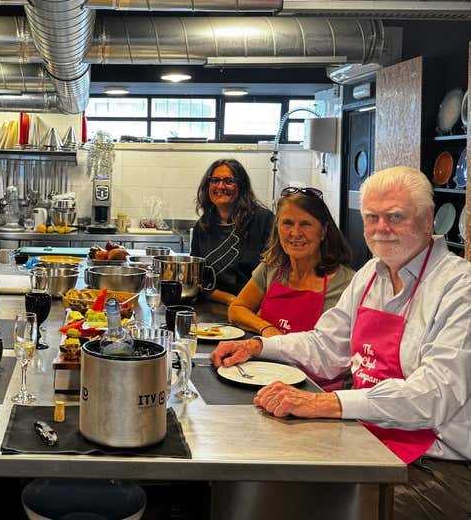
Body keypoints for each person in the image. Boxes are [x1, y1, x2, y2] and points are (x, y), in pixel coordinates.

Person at [212, 166, 471, 520]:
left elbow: (432, 396)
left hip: (437, 465)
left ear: (428, 220)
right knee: (262, 483)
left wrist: (325, 403)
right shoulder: (371, 274)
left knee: (315, 509)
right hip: (366, 438)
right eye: (372, 217)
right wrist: (259, 347)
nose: (382, 228)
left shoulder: (460, 288)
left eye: (396, 217)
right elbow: (326, 346)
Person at [227, 187, 355, 390]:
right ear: (277, 227)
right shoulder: (273, 267)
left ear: (323, 231)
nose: (295, 233)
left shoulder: (346, 283)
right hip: (263, 375)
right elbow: (237, 308)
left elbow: (338, 353)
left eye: (305, 224)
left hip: (316, 389)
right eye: (287, 223)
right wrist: (266, 329)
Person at [190, 158, 274, 303]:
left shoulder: (263, 221)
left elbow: (274, 272)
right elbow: (197, 279)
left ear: (241, 186)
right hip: (213, 306)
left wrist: (242, 304)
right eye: (215, 180)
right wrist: (231, 300)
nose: (220, 186)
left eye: (229, 181)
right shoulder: (202, 227)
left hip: (255, 307)